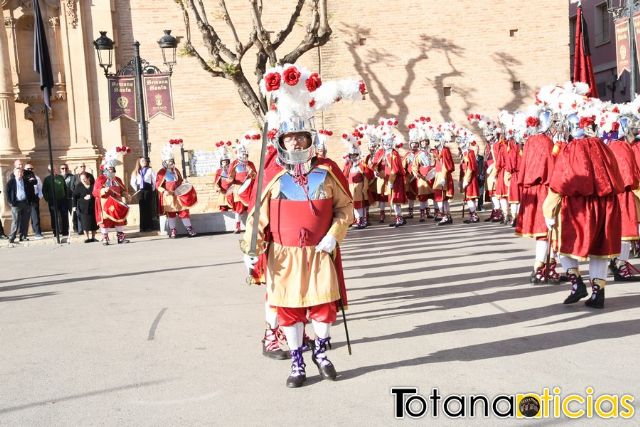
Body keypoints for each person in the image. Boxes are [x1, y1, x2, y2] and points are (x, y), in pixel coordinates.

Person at [243, 65, 362, 388]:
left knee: (323, 307)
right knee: (291, 311)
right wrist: (251, 252)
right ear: (282, 141)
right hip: (284, 257)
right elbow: (258, 220)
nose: (296, 144)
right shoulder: (275, 177)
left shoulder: (327, 172)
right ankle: (297, 362)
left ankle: (322, 353)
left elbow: (345, 208)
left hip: (320, 253)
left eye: (301, 138)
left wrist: (334, 236)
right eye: (290, 139)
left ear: (310, 139)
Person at [543, 87, 624, 309]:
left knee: (564, 246)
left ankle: (576, 282)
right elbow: (616, 177)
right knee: (600, 250)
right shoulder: (605, 148)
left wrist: (548, 211)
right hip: (606, 204)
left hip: (579, 207)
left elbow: (561, 182)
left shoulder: (571, 149)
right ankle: (598, 293)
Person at [156, 144, 197, 238]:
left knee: (184, 212)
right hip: (169, 197)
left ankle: (189, 229)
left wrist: (184, 182)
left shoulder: (176, 170)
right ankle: (173, 231)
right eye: (169, 161)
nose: (171, 163)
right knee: (171, 214)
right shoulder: (161, 172)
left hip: (178, 195)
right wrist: (164, 191)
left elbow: (180, 181)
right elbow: (158, 185)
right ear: (165, 162)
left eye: (172, 161)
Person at [94, 151, 129, 245]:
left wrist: (126, 194)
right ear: (105, 169)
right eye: (109, 168)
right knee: (105, 221)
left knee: (119, 220)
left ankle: (120, 237)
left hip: (117, 203)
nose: (111, 170)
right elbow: (95, 192)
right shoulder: (100, 179)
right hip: (105, 204)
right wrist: (102, 191)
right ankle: (105, 238)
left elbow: (123, 190)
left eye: (112, 168)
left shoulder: (117, 179)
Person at [228, 133, 258, 233]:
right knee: (239, 208)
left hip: (249, 188)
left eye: (246, 154)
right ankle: (237, 226)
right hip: (238, 189)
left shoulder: (250, 163)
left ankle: (253, 226)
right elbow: (230, 177)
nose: (244, 156)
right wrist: (232, 176)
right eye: (242, 154)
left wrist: (251, 172)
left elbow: (256, 176)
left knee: (251, 207)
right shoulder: (234, 163)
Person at [5, 167, 36, 243]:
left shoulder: (26, 181)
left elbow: (31, 191)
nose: (19, 174)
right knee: (15, 221)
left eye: (21, 172)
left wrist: (31, 201)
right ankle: (12, 237)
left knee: (25, 221)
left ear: (22, 173)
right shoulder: (11, 182)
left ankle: (23, 236)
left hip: (25, 203)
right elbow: (7, 193)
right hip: (16, 204)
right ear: (14, 173)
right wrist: (11, 202)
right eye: (18, 172)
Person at [130, 157, 157, 232]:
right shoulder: (136, 171)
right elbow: (132, 182)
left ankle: (149, 226)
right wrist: (137, 189)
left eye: (145, 160)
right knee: (142, 207)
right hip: (140, 190)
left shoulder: (150, 170)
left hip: (148, 189)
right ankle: (142, 227)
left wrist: (153, 188)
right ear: (139, 162)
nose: (144, 162)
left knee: (148, 207)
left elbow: (154, 180)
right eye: (142, 161)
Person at [42, 165, 69, 239]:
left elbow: (65, 188)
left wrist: (65, 197)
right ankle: (55, 231)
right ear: (49, 171)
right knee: (54, 216)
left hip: (62, 200)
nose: (53, 170)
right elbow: (44, 191)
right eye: (51, 169)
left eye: (54, 169)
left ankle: (65, 231)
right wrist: (48, 199)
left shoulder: (60, 177)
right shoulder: (47, 179)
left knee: (64, 215)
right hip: (53, 201)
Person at [73, 172, 98, 242]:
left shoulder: (93, 185)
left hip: (93, 207)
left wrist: (91, 195)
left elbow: (97, 193)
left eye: (84, 179)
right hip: (83, 208)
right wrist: (74, 206)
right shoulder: (79, 186)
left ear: (88, 178)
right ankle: (87, 237)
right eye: (81, 179)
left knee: (93, 222)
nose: (83, 180)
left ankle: (93, 237)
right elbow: (74, 196)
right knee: (85, 222)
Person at [72, 163, 95, 233]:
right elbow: (72, 187)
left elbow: (94, 186)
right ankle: (80, 230)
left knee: (90, 216)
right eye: (81, 166)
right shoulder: (75, 176)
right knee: (80, 215)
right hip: (80, 200)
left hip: (90, 201)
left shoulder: (90, 175)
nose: (82, 167)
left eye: (84, 166)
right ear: (78, 168)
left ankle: (91, 230)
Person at [24, 164, 44, 240]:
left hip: (34, 198)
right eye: (28, 169)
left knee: (35, 215)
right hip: (25, 199)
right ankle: (23, 234)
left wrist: (38, 197)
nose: (30, 170)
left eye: (31, 169)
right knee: (24, 217)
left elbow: (40, 188)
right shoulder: (23, 178)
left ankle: (37, 232)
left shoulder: (36, 178)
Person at [213, 141, 234, 212]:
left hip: (231, 191)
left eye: (225, 162)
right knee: (223, 207)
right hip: (222, 191)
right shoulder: (219, 171)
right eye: (223, 162)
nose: (224, 164)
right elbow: (216, 182)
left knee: (234, 207)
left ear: (228, 162)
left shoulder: (232, 170)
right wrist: (217, 187)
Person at [60, 164, 77, 234]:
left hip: (71, 198)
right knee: (63, 215)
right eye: (62, 168)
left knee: (74, 214)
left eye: (66, 168)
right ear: (60, 170)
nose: (64, 170)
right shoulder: (59, 177)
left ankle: (76, 229)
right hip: (62, 199)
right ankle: (65, 231)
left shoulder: (72, 177)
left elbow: (75, 186)